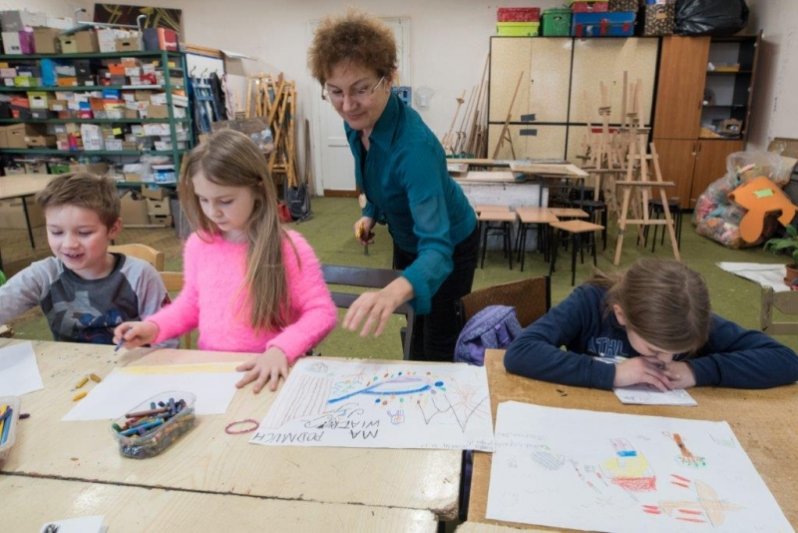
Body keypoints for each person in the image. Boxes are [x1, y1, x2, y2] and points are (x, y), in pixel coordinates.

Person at [308, 10, 479, 362]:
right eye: (335, 91)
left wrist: (389, 293)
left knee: (439, 338)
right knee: (414, 321)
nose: (347, 104)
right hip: (407, 238)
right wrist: (371, 212)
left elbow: (437, 250)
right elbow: (371, 174)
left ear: (389, 79)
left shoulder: (415, 149)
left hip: (448, 242)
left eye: (360, 89)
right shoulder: (356, 122)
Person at [113, 129, 337, 393]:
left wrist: (281, 349)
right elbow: (191, 304)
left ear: (257, 189)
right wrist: (153, 327)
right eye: (203, 199)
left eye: (225, 201)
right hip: (214, 373)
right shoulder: (199, 244)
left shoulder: (288, 247)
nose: (212, 211)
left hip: (269, 375)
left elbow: (322, 312)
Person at [505, 258, 798, 390]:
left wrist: (697, 370)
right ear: (622, 315)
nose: (666, 360)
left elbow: (786, 361)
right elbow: (521, 352)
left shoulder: (688, 318)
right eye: (655, 350)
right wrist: (611, 374)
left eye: (679, 352)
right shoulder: (591, 303)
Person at [0, 172, 170, 344]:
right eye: (56, 232)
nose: (69, 244)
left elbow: (167, 336)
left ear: (113, 229)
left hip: (133, 366)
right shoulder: (44, 275)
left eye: (84, 233)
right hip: (70, 367)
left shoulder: (141, 275)